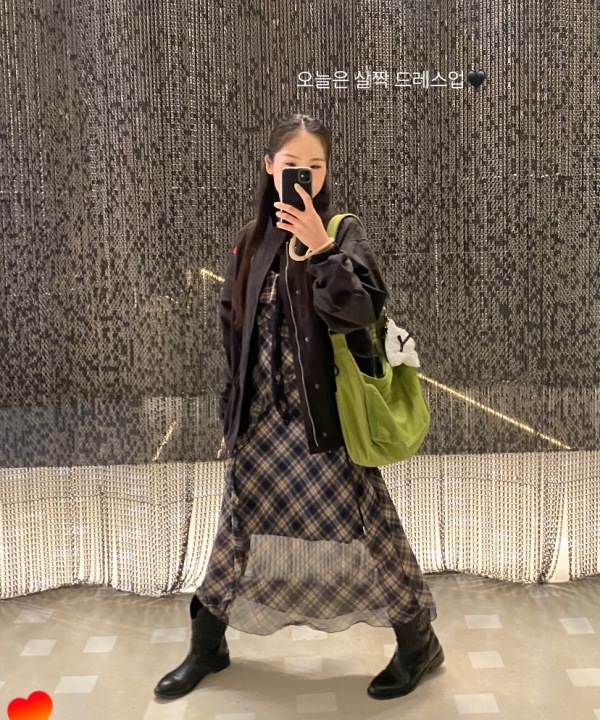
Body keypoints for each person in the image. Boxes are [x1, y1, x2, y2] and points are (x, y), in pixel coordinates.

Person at [154, 113, 444, 701]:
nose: (303, 176)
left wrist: (321, 248)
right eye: (291, 166)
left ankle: (419, 645)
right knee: (236, 527)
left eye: (315, 166)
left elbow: (359, 311)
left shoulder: (341, 231)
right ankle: (207, 647)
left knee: (369, 524)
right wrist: (232, 408)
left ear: (326, 172)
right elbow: (233, 327)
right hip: (260, 419)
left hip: (322, 416)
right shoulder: (251, 240)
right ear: (269, 167)